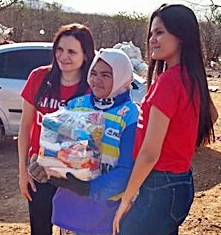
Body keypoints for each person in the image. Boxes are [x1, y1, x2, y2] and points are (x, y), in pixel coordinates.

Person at [112, 4, 215, 235]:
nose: (152, 40)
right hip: (181, 182)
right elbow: (211, 115)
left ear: (181, 36)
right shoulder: (192, 77)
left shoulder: (168, 82)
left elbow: (150, 154)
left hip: (159, 186)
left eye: (160, 32)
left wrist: (126, 199)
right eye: (151, 34)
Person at [29, 48, 139, 235]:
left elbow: (127, 170)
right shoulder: (75, 105)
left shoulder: (130, 115)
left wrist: (89, 188)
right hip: (71, 209)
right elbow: (56, 149)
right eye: (94, 73)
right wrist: (43, 169)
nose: (97, 80)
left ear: (122, 78)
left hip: (106, 211)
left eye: (106, 75)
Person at [18, 23, 95, 235]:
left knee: (72, 230)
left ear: (85, 55)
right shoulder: (39, 78)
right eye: (60, 50)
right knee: (40, 228)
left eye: (72, 52)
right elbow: (25, 126)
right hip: (40, 170)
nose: (64, 56)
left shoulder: (92, 87)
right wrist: (23, 171)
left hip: (75, 173)